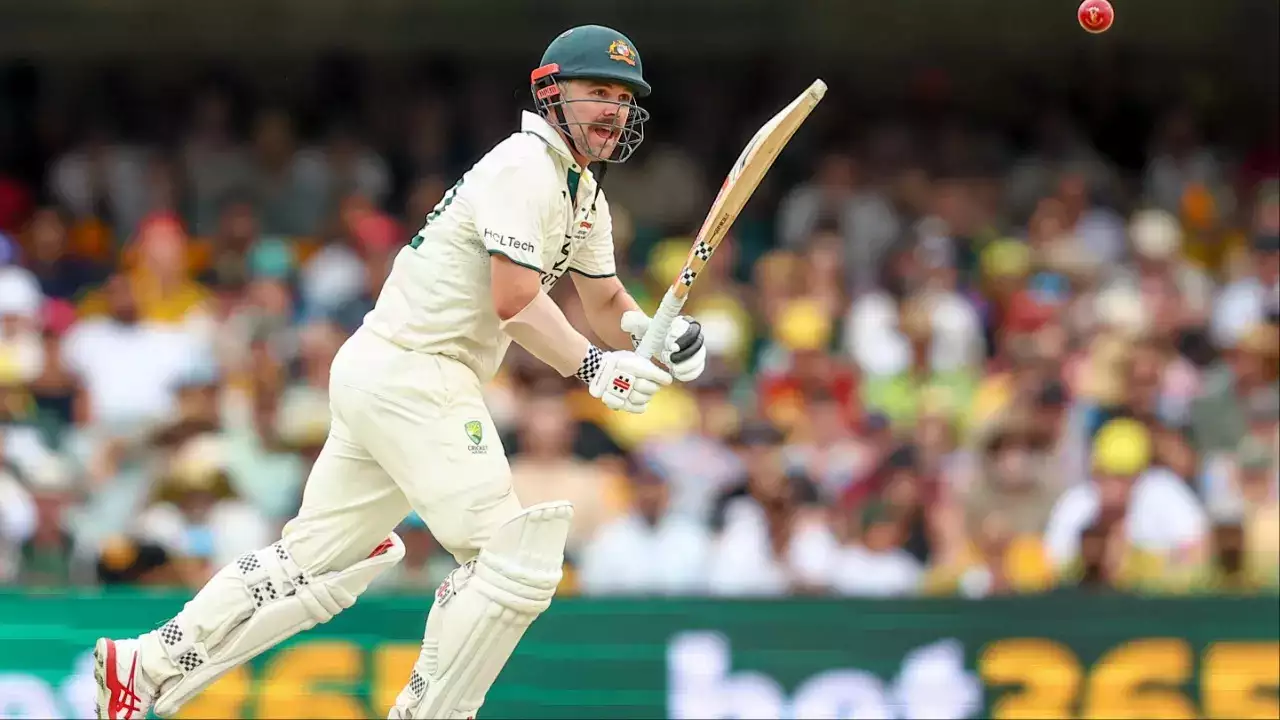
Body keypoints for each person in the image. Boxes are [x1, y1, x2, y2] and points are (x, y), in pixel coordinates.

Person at [93, 24, 707, 720]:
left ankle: (146, 662)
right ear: (551, 93)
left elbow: (604, 298)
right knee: (513, 559)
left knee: (310, 563)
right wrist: (596, 370)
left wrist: (654, 334)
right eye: (598, 92)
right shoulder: (524, 168)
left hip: (387, 371)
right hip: (420, 372)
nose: (614, 111)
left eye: (624, 99)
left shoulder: (583, 193)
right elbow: (514, 302)